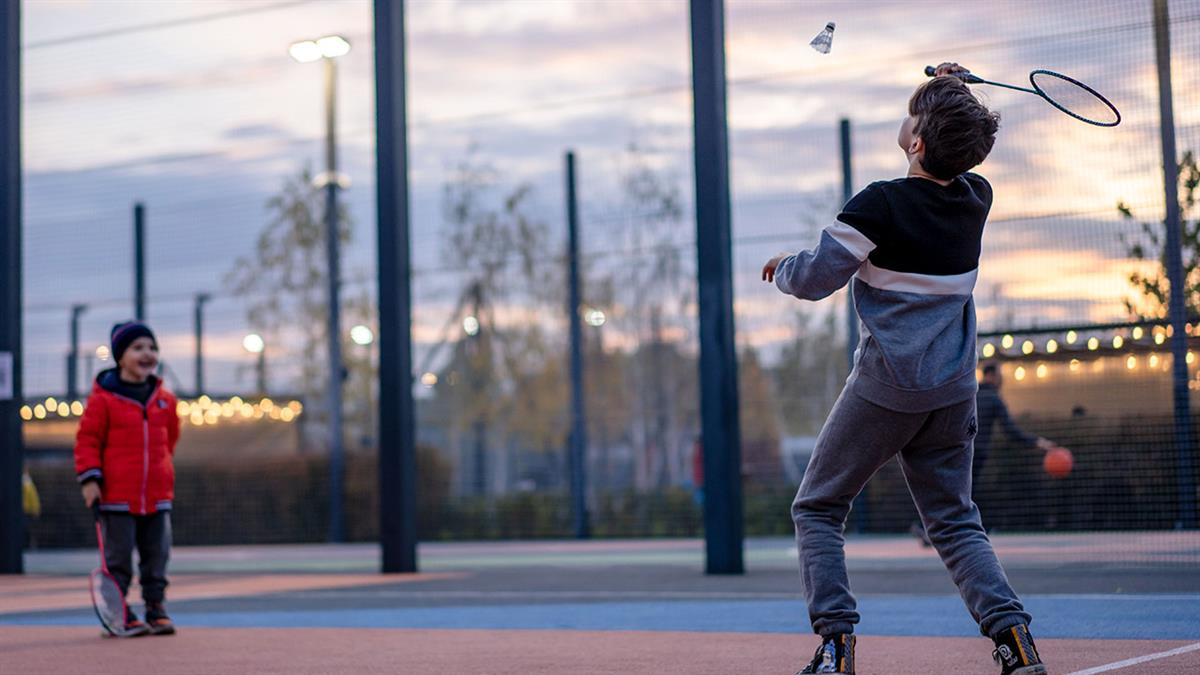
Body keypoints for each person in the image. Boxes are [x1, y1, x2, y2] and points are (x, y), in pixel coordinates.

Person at [762, 64, 1044, 675]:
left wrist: (784, 266)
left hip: (888, 389)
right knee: (955, 520)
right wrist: (954, 90)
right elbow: (960, 143)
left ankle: (836, 647)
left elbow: (813, 280)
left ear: (916, 141)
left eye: (914, 113)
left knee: (817, 508)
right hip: (952, 394)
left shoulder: (880, 205)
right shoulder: (976, 199)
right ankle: (1016, 643)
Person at [75, 321, 180, 637]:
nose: (147, 354)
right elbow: (87, 441)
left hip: (157, 496)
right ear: (121, 357)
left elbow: (170, 440)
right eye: (138, 348)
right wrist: (90, 480)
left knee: (156, 556)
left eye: (152, 348)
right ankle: (119, 612)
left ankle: (155, 608)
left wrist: (160, 470)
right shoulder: (103, 400)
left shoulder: (165, 401)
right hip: (117, 496)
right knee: (118, 559)